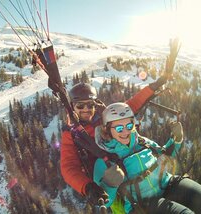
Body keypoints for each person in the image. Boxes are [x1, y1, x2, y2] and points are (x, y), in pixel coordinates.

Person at [93, 102, 201, 214]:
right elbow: (103, 204)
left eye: (129, 126)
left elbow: (165, 156)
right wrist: (109, 185)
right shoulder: (104, 160)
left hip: (167, 184)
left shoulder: (141, 141)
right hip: (143, 204)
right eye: (119, 128)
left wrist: (176, 140)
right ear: (107, 129)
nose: (126, 131)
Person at [60, 77, 168, 206]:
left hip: (125, 160)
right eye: (80, 105)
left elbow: (130, 106)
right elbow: (69, 166)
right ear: (72, 106)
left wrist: (153, 87)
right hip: (104, 174)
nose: (86, 109)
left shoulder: (103, 117)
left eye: (90, 104)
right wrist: (87, 186)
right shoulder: (72, 134)